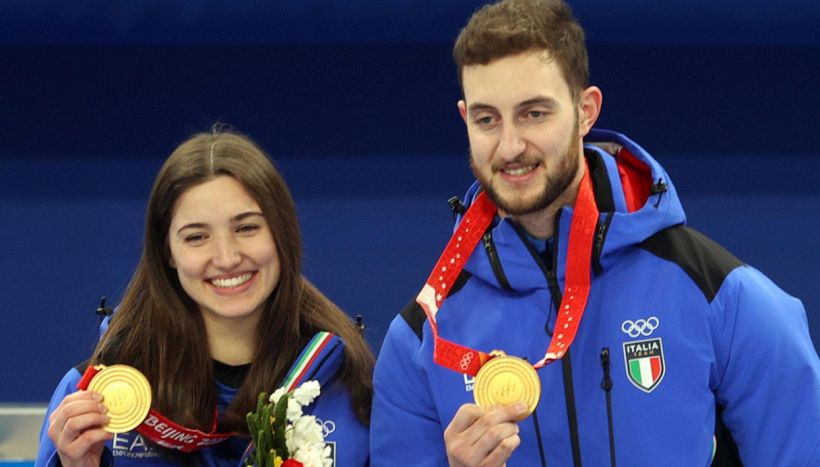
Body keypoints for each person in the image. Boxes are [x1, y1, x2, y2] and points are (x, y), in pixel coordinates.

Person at [370, 0, 820, 465]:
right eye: (487, 119)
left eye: (534, 114)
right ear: (465, 119)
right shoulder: (421, 340)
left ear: (585, 111)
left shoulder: (717, 293)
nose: (510, 146)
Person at [37, 130, 374, 466]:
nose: (226, 258)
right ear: (167, 252)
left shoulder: (355, 388)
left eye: (246, 228)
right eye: (197, 237)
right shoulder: (93, 401)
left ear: (281, 233)